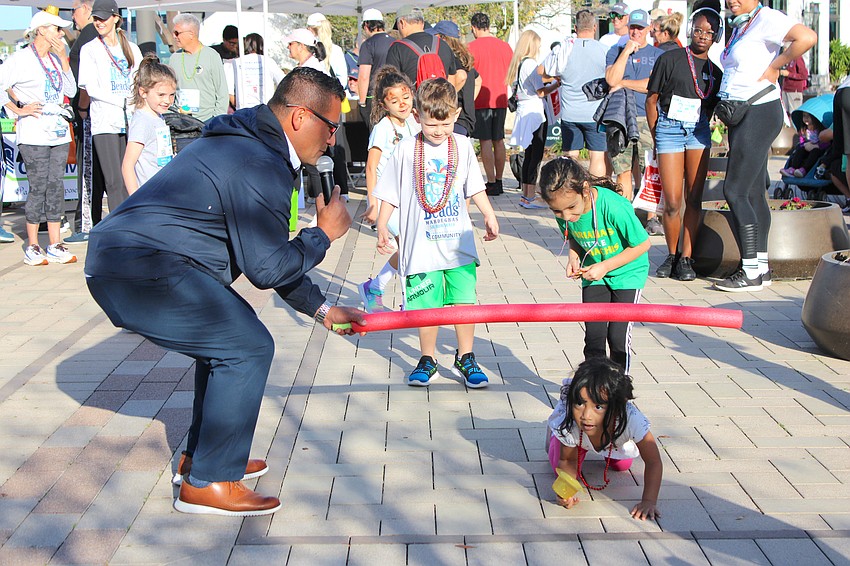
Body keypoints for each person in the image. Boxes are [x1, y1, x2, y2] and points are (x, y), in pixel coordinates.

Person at [85, 67, 367, 516]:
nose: (332, 139)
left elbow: (265, 252)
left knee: (229, 338)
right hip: (138, 267)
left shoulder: (250, 144)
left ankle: (205, 457)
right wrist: (323, 235)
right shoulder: (258, 161)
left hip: (134, 260)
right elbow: (267, 268)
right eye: (330, 126)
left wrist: (322, 309)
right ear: (299, 117)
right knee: (247, 346)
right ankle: (210, 482)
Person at [373, 78, 499, 388]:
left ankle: (466, 356)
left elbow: (475, 186)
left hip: (457, 242)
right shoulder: (404, 149)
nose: (439, 131)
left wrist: (489, 214)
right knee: (426, 306)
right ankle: (427, 358)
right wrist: (381, 226)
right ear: (417, 116)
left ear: (456, 115)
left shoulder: (462, 146)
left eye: (444, 123)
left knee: (463, 301)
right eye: (431, 125)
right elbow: (388, 192)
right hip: (421, 245)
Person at [713, 0, 817, 292]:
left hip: (759, 109)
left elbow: (808, 37)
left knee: (734, 190)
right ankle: (760, 266)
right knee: (755, 191)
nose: (732, 0)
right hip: (742, 112)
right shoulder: (742, 24)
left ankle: (749, 272)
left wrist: (775, 66)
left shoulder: (767, 17)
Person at [538, 157, 649, 371]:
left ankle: (619, 392)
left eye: (571, 208)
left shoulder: (615, 207)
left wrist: (605, 267)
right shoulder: (564, 209)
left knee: (617, 336)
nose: (566, 216)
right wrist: (573, 255)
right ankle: (593, 389)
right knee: (594, 337)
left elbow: (642, 245)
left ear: (585, 189)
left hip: (627, 274)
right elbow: (573, 236)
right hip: (593, 273)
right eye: (558, 212)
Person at [646, 4, 723, 281]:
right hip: (669, 128)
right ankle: (671, 253)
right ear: (691, 30)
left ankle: (686, 258)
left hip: (698, 131)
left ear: (716, 37)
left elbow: (712, 108)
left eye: (709, 32)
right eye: (699, 30)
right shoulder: (670, 59)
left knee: (694, 197)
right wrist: (657, 135)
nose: (702, 35)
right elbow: (651, 100)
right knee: (672, 200)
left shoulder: (716, 72)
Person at [0, 10, 78, 265]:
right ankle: (33, 245)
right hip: (33, 133)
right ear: (42, 30)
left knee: (56, 186)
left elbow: (71, 90)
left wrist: (64, 60)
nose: (60, 33)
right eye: (56, 28)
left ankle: (55, 243)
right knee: (39, 186)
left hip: (57, 131)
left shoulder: (56, 58)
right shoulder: (20, 58)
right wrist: (19, 109)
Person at [546, 357, 662, 520]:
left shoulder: (632, 420)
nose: (586, 415)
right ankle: (554, 437)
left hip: (612, 439)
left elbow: (653, 461)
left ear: (617, 408)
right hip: (580, 439)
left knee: (623, 465)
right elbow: (567, 461)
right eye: (579, 404)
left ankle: (605, 450)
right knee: (557, 465)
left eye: (598, 407)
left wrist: (649, 501)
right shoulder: (572, 422)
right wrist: (565, 493)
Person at [358, 66, 419, 312]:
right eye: (394, 100)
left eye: (406, 97)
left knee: (409, 247)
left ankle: (374, 287)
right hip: (387, 202)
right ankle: (409, 301)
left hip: (410, 198)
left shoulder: (414, 122)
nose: (402, 104)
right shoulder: (382, 129)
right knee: (407, 247)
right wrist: (372, 204)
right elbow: (371, 168)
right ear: (384, 104)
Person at [78, 0, 142, 217]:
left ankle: (134, 222)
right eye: (95, 18)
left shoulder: (132, 48)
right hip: (104, 121)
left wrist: (133, 104)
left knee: (130, 176)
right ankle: (120, 228)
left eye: (103, 18)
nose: (99, 23)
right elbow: (90, 86)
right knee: (113, 180)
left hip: (130, 119)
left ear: (116, 18)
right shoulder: (90, 49)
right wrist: (119, 101)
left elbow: (140, 80)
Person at [604, 9, 664, 235]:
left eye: (640, 28)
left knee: (649, 168)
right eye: (633, 27)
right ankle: (625, 215)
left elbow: (653, 85)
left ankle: (651, 217)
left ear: (649, 28)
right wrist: (626, 52)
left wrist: (626, 83)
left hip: (648, 116)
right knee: (623, 170)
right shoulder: (616, 50)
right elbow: (611, 79)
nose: (636, 32)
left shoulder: (658, 55)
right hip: (620, 119)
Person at [540, 9, 609, 178]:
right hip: (596, 112)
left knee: (570, 156)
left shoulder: (564, 50)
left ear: (575, 28)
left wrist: (560, 77)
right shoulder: (605, 50)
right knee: (597, 156)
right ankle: (594, 193)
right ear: (594, 27)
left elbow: (542, 72)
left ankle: (570, 191)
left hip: (570, 113)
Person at [65, 0, 103, 245]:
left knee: (90, 170)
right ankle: (91, 222)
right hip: (91, 113)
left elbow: (86, 77)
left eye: (74, 10)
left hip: (88, 112)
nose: (72, 16)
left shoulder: (90, 35)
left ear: (87, 10)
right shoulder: (89, 35)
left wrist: (81, 107)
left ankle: (88, 223)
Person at [507, 30, 557, 209]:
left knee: (530, 155)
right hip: (534, 112)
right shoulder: (530, 64)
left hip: (526, 110)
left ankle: (526, 194)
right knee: (534, 155)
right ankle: (529, 196)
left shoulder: (521, 63)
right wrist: (557, 83)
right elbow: (540, 91)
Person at [468, 12, 513, 196]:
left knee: (485, 140)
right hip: (500, 97)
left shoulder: (470, 47)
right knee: (499, 139)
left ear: (473, 27)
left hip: (481, 98)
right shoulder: (505, 47)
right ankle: (500, 180)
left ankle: (491, 181)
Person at [121, 55, 177, 194]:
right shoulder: (142, 121)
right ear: (143, 92)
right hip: (150, 196)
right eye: (161, 95)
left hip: (164, 191)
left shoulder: (157, 116)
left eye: (171, 95)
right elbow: (128, 165)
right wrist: (135, 202)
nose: (168, 100)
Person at [167, 13, 229, 122]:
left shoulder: (211, 56)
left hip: (207, 121)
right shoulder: (174, 58)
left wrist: (216, 120)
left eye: (177, 33)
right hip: (181, 121)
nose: (174, 36)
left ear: (191, 34)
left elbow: (222, 92)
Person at [385, 6, 458, 90]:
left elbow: (391, 83)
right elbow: (452, 77)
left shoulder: (397, 48)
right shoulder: (442, 44)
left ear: (402, 23)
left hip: (415, 101)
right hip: (442, 100)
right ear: (422, 23)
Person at [428, 21, 480, 137]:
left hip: (454, 118)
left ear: (443, 38)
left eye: (435, 36)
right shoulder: (465, 57)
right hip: (465, 117)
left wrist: (444, 100)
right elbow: (478, 80)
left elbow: (461, 77)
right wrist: (469, 101)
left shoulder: (449, 58)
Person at [226, 33, 284, 110]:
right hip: (265, 109)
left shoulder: (235, 63)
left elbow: (229, 92)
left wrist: (238, 105)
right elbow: (283, 82)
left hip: (243, 110)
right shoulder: (269, 62)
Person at [357, 9, 395, 128]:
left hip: (374, 97)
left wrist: (362, 103)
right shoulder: (395, 42)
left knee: (376, 135)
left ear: (367, 25)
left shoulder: (368, 44)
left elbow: (364, 76)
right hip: (394, 94)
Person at [780, 110, 827, 178]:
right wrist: (804, 145)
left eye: (808, 116)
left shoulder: (820, 130)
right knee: (799, 149)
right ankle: (793, 168)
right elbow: (801, 141)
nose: (806, 118)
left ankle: (804, 170)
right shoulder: (804, 130)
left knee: (815, 152)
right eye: (804, 116)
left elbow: (826, 143)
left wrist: (817, 146)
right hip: (806, 148)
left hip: (817, 149)